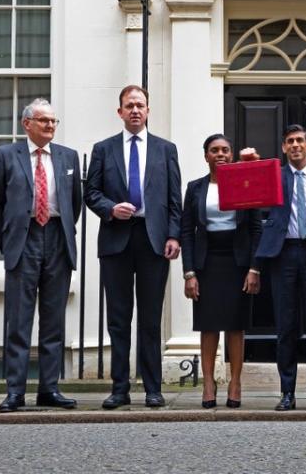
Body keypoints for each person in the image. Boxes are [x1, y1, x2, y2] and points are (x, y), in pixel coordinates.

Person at [84, 85, 182, 409]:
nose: (135, 110)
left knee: (151, 319)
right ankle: (119, 389)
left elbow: (173, 200)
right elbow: (91, 192)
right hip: (117, 239)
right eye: (129, 106)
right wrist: (110, 209)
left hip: (153, 241)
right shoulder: (103, 149)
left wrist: (173, 235)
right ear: (120, 112)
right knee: (118, 318)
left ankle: (153, 388)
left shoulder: (166, 150)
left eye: (140, 105)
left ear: (148, 110)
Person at [0, 99, 83, 413]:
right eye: (44, 121)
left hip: (56, 237)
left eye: (54, 121)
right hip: (24, 238)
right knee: (19, 319)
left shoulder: (68, 157)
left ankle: (49, 389)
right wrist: (10, 241)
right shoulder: (5, 156)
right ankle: (15, 391)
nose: (50, 126)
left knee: (53, 320)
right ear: (26, 124)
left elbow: (75, 204)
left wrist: (63, 231)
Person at [254, 124, 306, 412]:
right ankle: (287, 392)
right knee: (285, 328)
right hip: (283, 257)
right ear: (283, 147)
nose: (295, 146)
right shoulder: (274, 178)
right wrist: (249, 162)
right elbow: (246, 189)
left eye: (300, 140)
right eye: (290, 141)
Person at [180, 134, 261, 409]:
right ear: (206, 156)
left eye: (225, 150)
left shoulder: (244, 183)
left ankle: (235, 382)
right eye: (214, 150)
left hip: (237, 261)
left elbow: (256, 228)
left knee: (236, 325)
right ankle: (208, 383)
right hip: (207, 261)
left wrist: (254, 268)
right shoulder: (195, 188)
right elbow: (186, 232)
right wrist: (189, 273)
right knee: (208, 325)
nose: (221, 154)